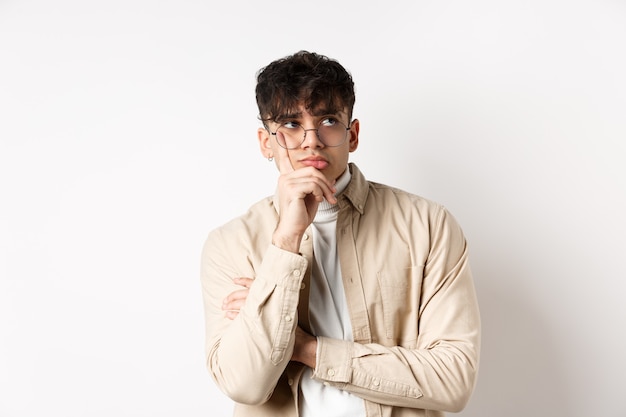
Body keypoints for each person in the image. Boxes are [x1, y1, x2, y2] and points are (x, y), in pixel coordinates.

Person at [200, 50, 481, 417]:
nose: (311, 141)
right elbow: (244, 384)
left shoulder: (428, 225)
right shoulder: (230, 244)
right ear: (265, 142)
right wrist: (286, 240)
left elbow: (454, 381)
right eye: (289, 124)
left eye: (328, 120)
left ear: (353, 134)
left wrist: (304, 349)